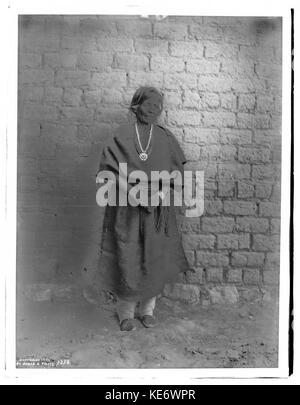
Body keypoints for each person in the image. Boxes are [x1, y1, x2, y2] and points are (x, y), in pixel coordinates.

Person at [96, 86, 190, 331]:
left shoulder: (166, 137)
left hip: (157, 210)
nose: (153, 110)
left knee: (154, 257)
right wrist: (133, 193)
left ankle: (147, 310)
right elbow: (107, 173)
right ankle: (125, 312)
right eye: (148, 105)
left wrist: (159, 194)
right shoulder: (121, 135)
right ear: (136, 106)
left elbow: (176, 174)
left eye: (157, 106)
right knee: (128, 257)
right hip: (126, 209)